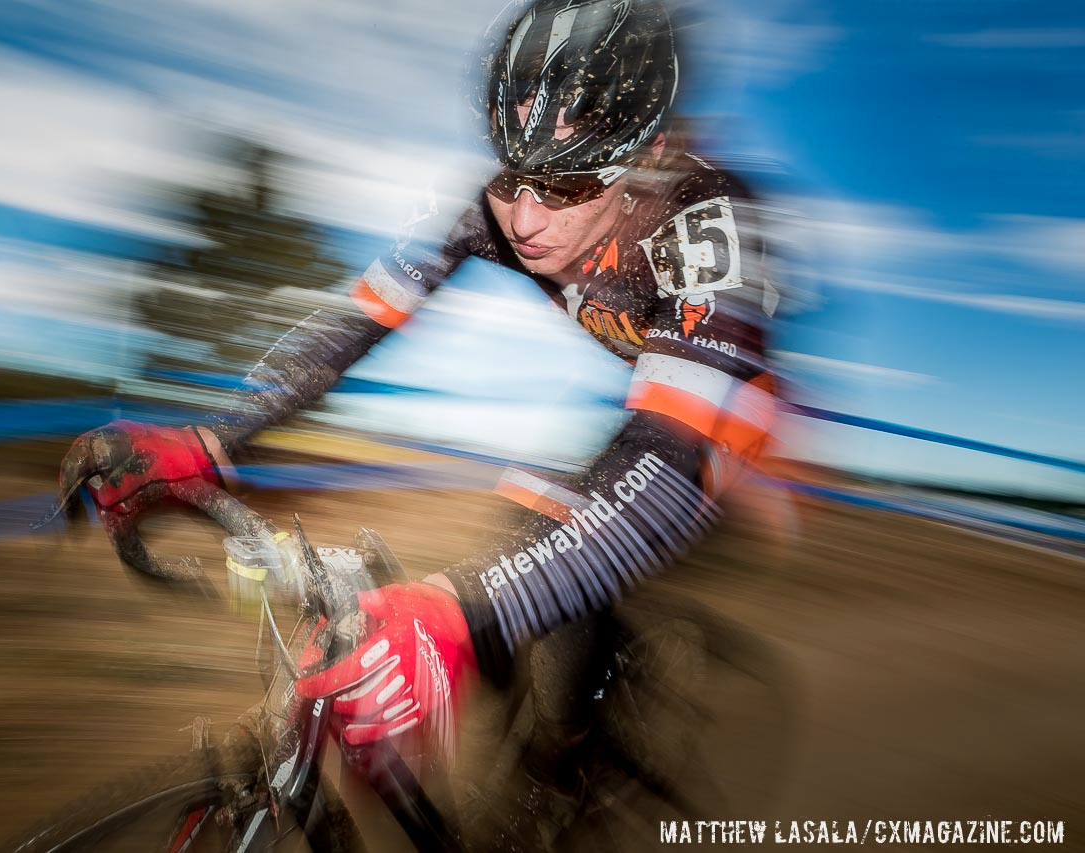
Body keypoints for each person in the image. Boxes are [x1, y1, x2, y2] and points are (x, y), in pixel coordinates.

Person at [60, 0, 779, 843]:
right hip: (651, 422)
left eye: (571, 184)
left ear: (650, 159)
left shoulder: (707, 221)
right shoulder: (502, 203)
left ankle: (564, 769)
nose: (526, 218)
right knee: (515, 554)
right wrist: (215, 434)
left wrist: (456, 612)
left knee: (532, 548)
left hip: (726, 437)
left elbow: (666, 468)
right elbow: (358, 318)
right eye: (513, 172)